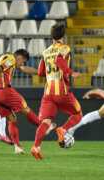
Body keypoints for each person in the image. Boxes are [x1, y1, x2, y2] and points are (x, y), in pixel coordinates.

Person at [0, 49, 56, 154]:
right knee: (25, 109)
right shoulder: (10, 58)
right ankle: (44, 127)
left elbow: (22, 68)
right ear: (19, 57)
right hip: (4, 90)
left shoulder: (5, 59)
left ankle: (17, 147)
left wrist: (40, 72)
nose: (22, 63)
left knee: (12, 119)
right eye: (23, 61)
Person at [30, 23, 83, 160]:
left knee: (46, 121)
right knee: (78, 114)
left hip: (48, 92)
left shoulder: (46, 51)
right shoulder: (64, 48)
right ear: (64, 35)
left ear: (51, 36)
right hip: (61, 89)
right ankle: (63, 129)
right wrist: (71, 73)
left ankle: (36, 147)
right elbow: (60, 61)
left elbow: (41, 72)